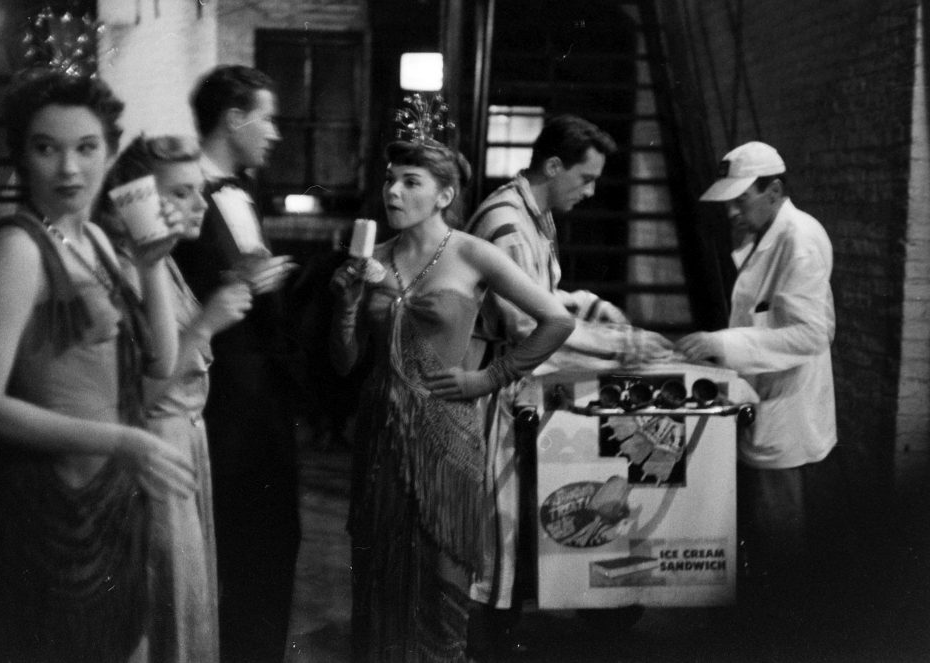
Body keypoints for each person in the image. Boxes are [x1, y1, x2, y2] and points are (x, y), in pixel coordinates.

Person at [0, 68, 196, 663]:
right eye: (47, 149)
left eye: (87, 148)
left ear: (110, 153)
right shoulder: (17, 247)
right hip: (48, 509)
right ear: (21, 155)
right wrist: (123, 441)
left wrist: (150, 267)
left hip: (112, 499)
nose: (69, 169)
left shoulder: (92, 236)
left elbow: (160, 364)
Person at [330, 138, 574, 661]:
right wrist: (347, 307)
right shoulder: (371, 257)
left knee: (441, 578)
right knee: (378, 576)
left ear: (444, 195)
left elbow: (558, 321)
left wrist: (488, 380)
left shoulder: (471, 252)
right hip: (380, 434)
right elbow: (345, 362)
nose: (393, 191)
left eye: (410, 182)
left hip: (446, 435)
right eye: (390, 179)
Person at [463, 114, 671, 644]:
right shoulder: (508, 222)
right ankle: (488, 633)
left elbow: (544, 293)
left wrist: (594, 306)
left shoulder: (533, 213)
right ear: (553, 166)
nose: (592, 190)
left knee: (513, 515)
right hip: (494, 380)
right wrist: (620, 345)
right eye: (585, 178)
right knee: (496, 524)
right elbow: (526, 321)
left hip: (513, 375)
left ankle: (522, 609)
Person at [674, 141, 837, 637]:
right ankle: (768, 626)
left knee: (781, 533)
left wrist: (722, 344)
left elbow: (812, 333)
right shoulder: (764, 231)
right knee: (765, 533)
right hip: (763, 395)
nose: (732, 207)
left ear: (775, 190)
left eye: (742, 197)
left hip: (785, 407)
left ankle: (783, 636)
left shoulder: (799, 239)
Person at [103, 135, 255, 663]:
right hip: (154, 452)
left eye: (201, 191)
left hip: (187, 445)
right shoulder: (126, 271)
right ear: (138, 202)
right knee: (163, 603)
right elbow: (134, 398)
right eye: (184, 193)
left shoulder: (163, 263)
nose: (200, 205)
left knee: (186, 601)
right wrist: (206, 325)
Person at [171, 65, 301, 662]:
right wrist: (228, 285)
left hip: (263, 404)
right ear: (235, 119)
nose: (273, 132)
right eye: (267, 117)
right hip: (220, 404)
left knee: (273, 544)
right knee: (236, 548)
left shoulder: (242, 192)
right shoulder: (182, 189)